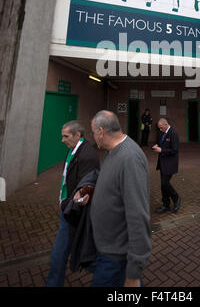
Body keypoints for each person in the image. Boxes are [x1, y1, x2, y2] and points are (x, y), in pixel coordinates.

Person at [88, 110, 151, 287]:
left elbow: (138, 216)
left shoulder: (129, 158)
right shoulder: (111, 152)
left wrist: (133, 273)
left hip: (116, 259)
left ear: (101, 131)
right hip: (106, 251)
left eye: (93, 132)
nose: (93, 137)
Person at [46, 121, 100, 287]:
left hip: (72, 215)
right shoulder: (74, 150)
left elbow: (88, 185)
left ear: (78, 135)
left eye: (66, 136)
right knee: (86, 256)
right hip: (69, 210)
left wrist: (68, 204)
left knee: (58, 257)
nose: (62, 140)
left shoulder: (87, 156)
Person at [152, 117, 181, 214]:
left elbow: (175, 150)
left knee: (165, 183)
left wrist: (161, 150)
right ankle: (166, 205)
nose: (160, 129)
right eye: (159, 128)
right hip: (162, 162)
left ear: (166, 124)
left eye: (161, 127)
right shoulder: (162, 132)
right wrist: (156, 146)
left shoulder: (173, 134)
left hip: (170, 163)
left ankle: (176, 198)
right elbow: (160, 143)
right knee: (163, 185)